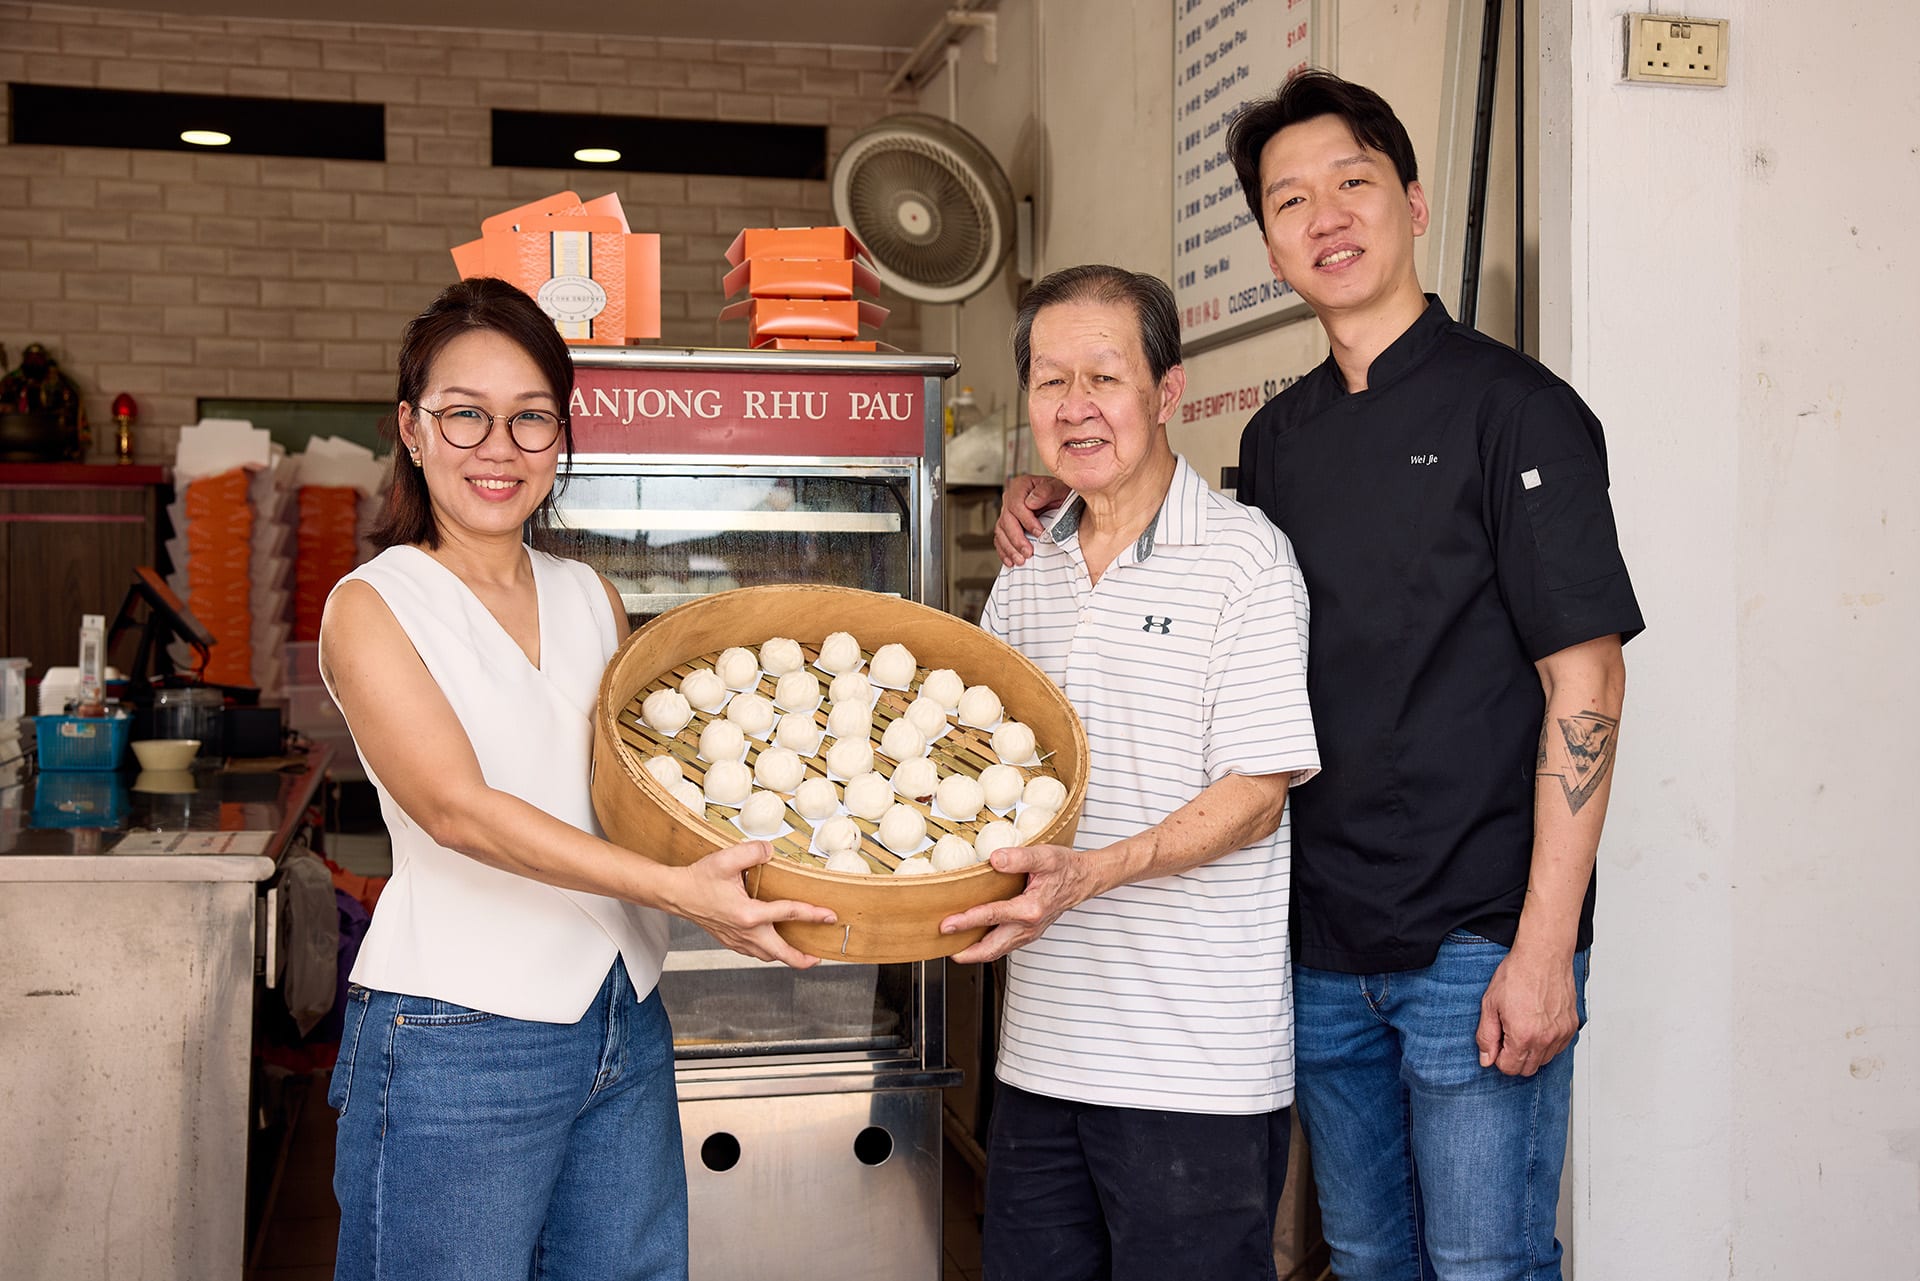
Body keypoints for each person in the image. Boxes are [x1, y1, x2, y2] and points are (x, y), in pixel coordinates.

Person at [993, 72, 1643, 1281]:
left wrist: (1545, 945)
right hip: (1323, 943)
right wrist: (1054, 483)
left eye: (1352, 181)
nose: (1325, 216)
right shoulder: (1278, 439)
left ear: (1413, 201)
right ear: (1270, 245)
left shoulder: (1520, 411)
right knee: (1365, 1257)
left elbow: (1589, 681)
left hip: (1476, 934)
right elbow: (1187, 550)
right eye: (1290, 199)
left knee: (1486, 1264)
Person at [318, 277, 834, 1281]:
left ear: (561, 436)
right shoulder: (375, 605)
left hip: (622, 1012)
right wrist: (680, 892)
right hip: (457, 1029)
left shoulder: (589, 594)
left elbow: (631, 786)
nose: (498, 447)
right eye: (464, 415)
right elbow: (459, 811)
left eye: (530, 418)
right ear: (412, 430)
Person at [940, 264, 1320, 1281]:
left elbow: (1255, 799)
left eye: (1104, 378)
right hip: (1041, 1059)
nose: (1075, 406)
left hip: (1192, 1074)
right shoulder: (1027, 571)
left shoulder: (1245, 559)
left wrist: (1090, 873)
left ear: (1167, 392)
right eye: (1050, 381)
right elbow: (977, 759)